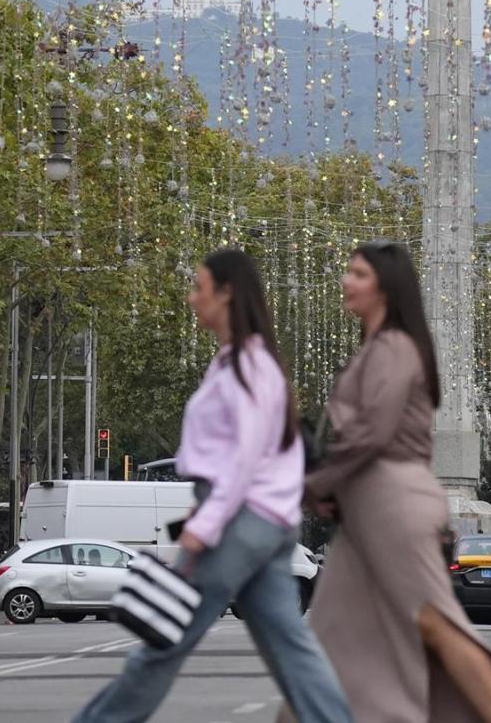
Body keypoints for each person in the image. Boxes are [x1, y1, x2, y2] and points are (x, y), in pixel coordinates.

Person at [73, 249, 350, 723]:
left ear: (226, 293)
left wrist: (207, 522)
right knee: (291, 648)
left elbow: (245, 457)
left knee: (163, 638)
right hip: (259, 520)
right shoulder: (239, 361)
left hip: (238, 518)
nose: (190, 298)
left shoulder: (248, 365)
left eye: (199, 287)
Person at [296, 241, 491, 723]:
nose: (346, 281)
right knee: (328, 638)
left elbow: (373, 435)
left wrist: (315, 482)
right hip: (366, 510)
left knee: (435, 626)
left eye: (358, 274)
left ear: (385, 287)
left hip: (393, 508)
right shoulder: (378, 348)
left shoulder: (395, 349)